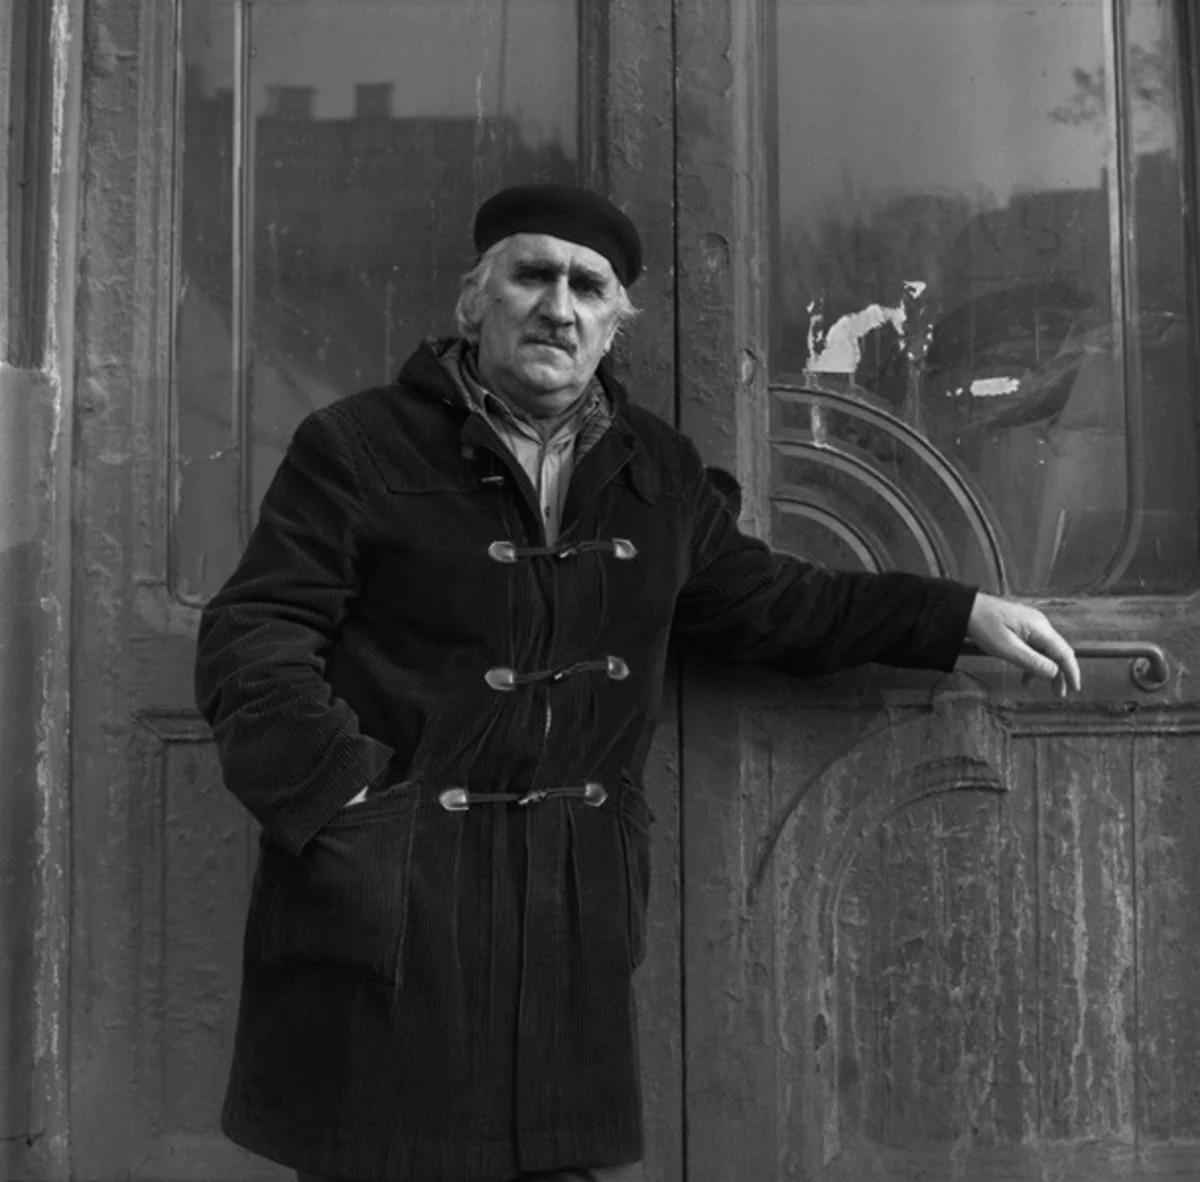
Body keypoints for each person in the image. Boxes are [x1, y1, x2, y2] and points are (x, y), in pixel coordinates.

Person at [194, 185, 1081, 1182]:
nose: (558, 307)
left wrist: (957, 615)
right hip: (394, 899)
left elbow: (774, 602)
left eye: (589, 287)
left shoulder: (654, 469)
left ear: (615, 323)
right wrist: (341, 800)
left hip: (566, 903)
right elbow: (253, 634)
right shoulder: (358, 446)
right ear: (474, 301)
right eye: (533, 276)